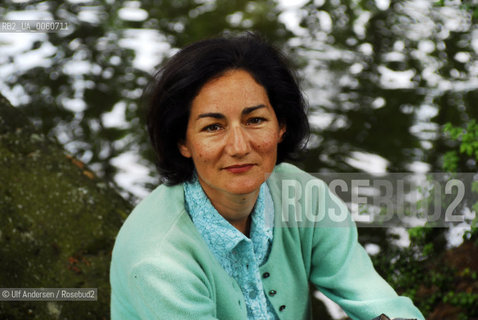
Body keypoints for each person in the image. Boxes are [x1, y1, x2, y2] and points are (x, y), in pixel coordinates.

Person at [110, 33, 424, 320]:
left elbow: (376, 300)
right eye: (213, 127)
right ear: (183, 142)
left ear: (281, 125)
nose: (238, 146)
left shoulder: (304, 196)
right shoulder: (159, 262)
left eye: (255, 119)